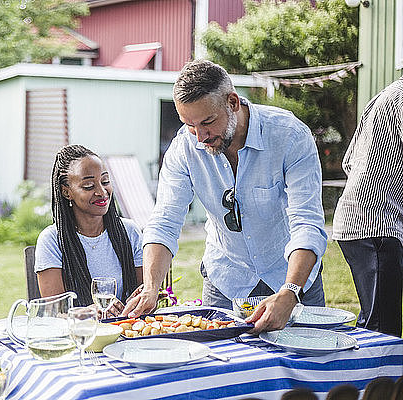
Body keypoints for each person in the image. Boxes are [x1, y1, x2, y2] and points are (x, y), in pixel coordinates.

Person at [123, 60, 327, 333]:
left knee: (308, 367)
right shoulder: (184, 148)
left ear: (233, 102)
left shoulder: (290, 136)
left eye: (207, 122)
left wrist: (290, 292)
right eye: (189, 125)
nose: (200, 138)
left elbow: (307, 223)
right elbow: (164, 222)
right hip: (226, 279)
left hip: (291, 279)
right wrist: (151, 287)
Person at [332, 77, 403, 338]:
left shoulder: (385, 96)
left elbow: (349, 161)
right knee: (383, 329)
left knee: (376, 318)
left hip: (359, 220)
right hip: (373, 223)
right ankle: (376, 378)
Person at [34, 144, 144, 312]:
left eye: (105, 181)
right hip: (78, 335)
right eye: (89, 186)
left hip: (125, 331)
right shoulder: (52, 240)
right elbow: (54, 312)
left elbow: (143, 294)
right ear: (66, 192)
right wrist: (90, 313)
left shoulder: (130, 232)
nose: (102, 192)